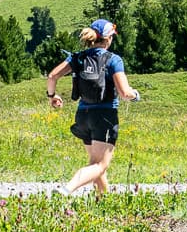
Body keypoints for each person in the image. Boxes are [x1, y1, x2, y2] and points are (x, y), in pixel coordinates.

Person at [46, 19, 139, 196]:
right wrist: (135, 95)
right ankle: (66, 189)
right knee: (99, 165)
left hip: (83, 115)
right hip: (104, 116)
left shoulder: (77, 57)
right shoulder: (113, 60)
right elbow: (125, 93)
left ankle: (103, 200)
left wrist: (52, 96)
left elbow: (52, 76)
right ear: (108, 38)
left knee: (96, 163)